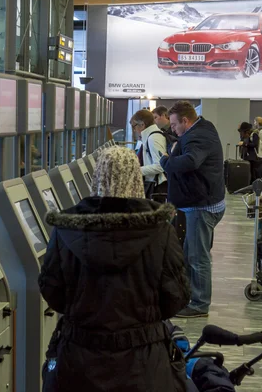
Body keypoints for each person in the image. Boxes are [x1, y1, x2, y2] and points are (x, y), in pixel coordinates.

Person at [39, 147, 189, 392]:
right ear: (136, 178)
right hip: (143, 361)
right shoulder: (160, 231)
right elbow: (176, 297)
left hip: (78, 359)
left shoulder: (66, 230)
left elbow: (52, 291)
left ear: (97, 176)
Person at [160, 101, 225, 318]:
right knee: (191, 254)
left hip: (202, 207)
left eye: (174, 124)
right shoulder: (201, 129)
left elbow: (190, 161)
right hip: (199, 204)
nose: (172, 129)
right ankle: (190, 297)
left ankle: (199, 305)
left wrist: (166, 162)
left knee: (198, 258)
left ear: (186, 121)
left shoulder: (198, 137)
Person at [131, 109, 167, 198]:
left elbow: (160, 165)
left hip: (157, 187)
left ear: (142, 124)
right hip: (154, 185)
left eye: (134, 126)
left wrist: (136, 170)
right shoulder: (150, 136)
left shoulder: (153, 138)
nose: (134, 130)